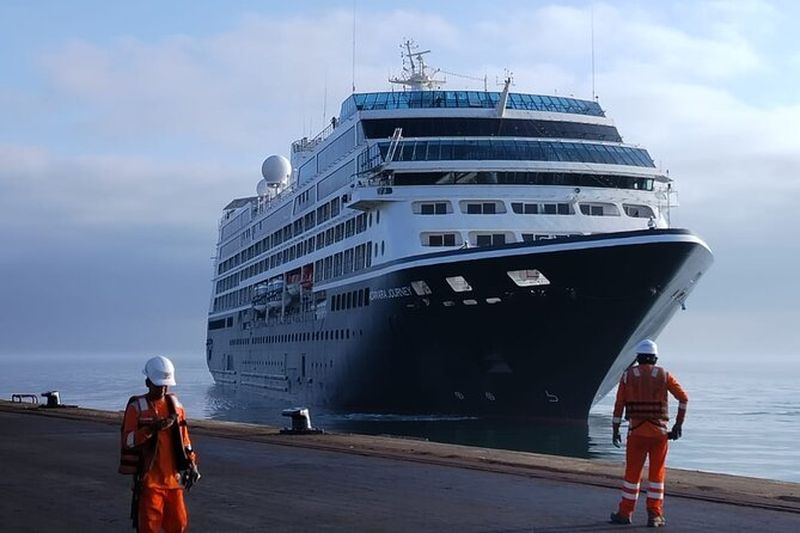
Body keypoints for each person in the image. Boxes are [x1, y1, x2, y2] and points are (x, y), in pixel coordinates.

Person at [609, 339, 687, 528]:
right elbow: (684, 399)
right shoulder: (664, 375)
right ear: (655, 357)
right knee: (656, 475)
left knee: (632, 475)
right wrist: (678, 425)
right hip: (659, 435)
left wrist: (615, 429)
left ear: (637, 358)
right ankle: (654, 515)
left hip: (635, 433)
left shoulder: (627, 376)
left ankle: (625, 513)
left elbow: (619, 405)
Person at [119, 356, 200, 532]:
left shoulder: (177, 407)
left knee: (178, 524)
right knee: (149, 527)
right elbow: (128, 441)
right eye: (159, 384)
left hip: (174, 481)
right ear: (147, 382)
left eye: (166, 385)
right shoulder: (137, 408)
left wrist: (192, 463)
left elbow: (185, 440)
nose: (163, 388)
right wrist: (150, 429)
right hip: (149, 483)